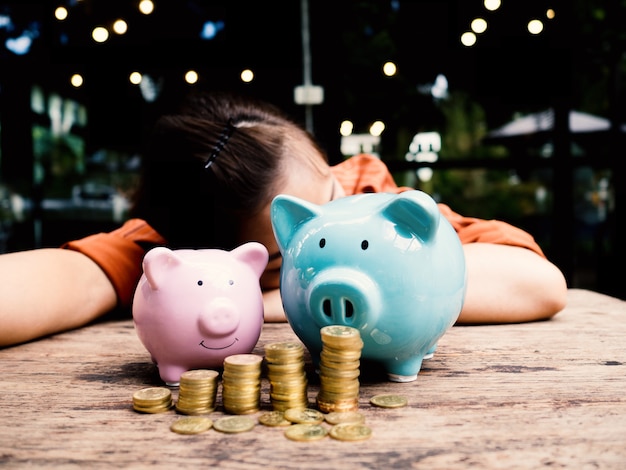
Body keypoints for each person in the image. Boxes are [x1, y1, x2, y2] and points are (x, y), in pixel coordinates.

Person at [0, 91, 568, 347]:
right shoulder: (166, 254)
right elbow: (36, 287)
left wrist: (273, 301)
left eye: (331, 195)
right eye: (291, 248)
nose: (332, 229)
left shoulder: (366, 193)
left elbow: (538, 283)